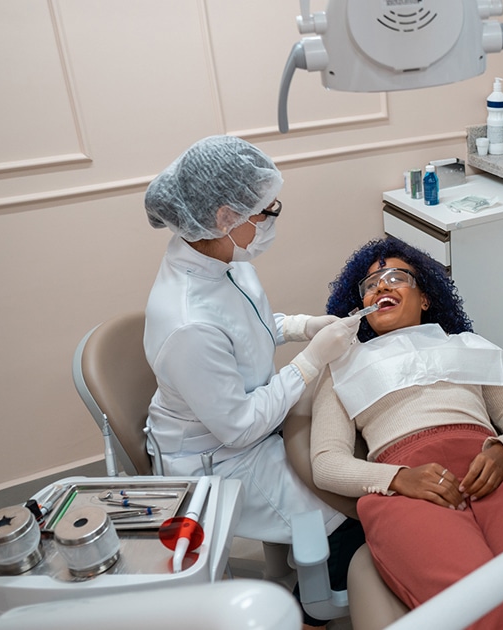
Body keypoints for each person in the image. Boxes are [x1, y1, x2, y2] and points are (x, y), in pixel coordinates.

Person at [310, 237, 503, 629]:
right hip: (409, 487)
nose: (381, 287)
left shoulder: (471, 346)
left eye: (397, 277)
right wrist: (396, 478)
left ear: (426, 298)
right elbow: (325, 463)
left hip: (495, 470)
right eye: (370, 285)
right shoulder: (342, 368)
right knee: (480, 606)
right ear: (361, 307)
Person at [142, 135, 363, 628]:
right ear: (224, 217)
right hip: (222, 461)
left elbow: (252, 327)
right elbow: (238, 428)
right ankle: (315, 611)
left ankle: (298, 569)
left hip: (253, 424)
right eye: (264, 211)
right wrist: (309, 361)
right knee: (349, 512)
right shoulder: (187, 322)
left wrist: (304, 325)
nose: (270, 220)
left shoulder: (224, 260)